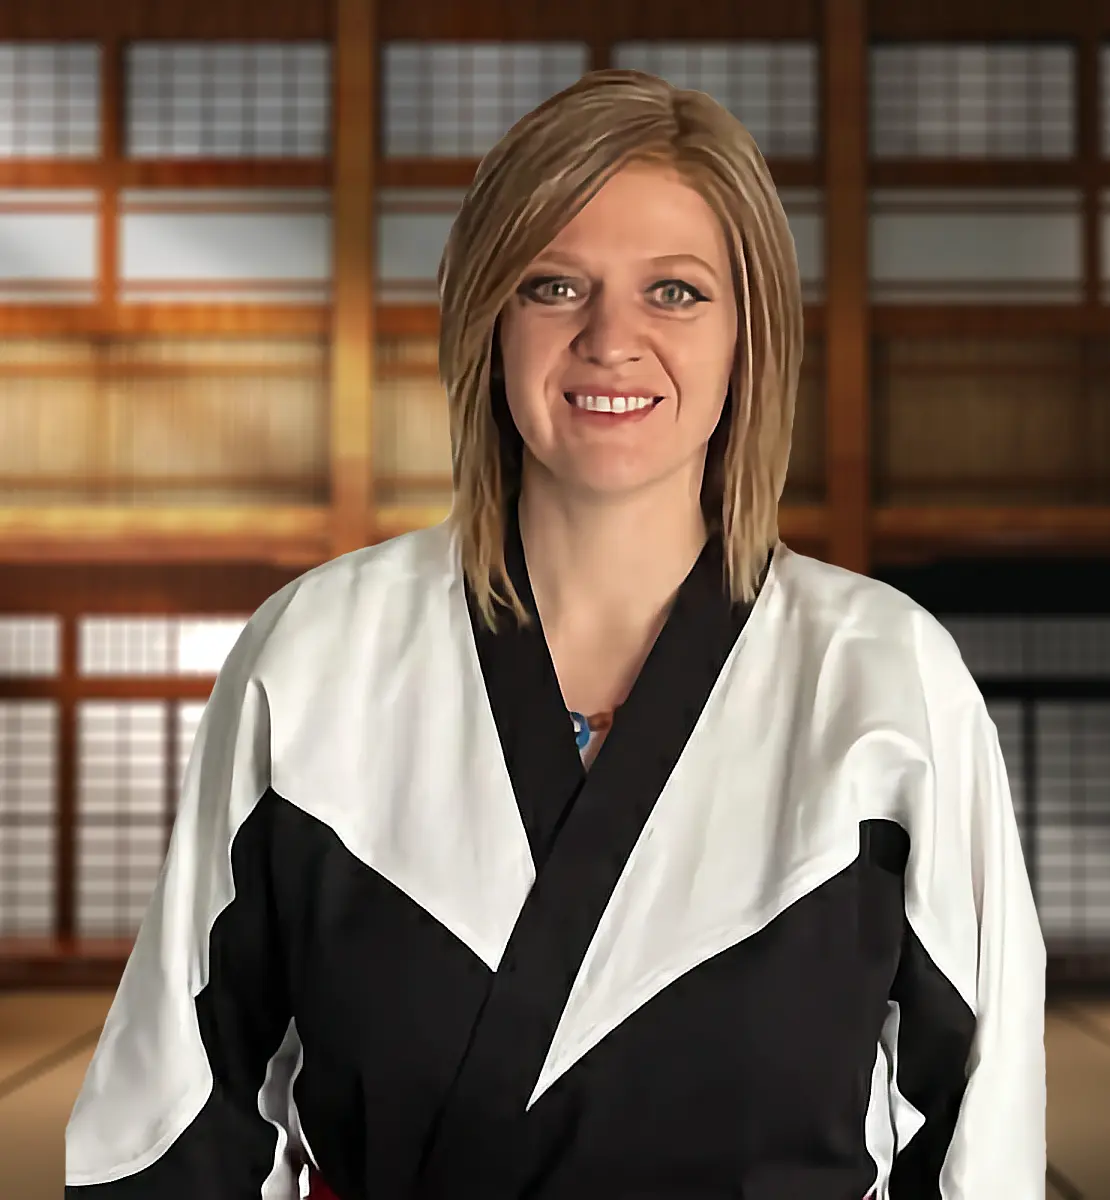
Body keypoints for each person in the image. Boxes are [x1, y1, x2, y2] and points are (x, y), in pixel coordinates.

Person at [63, 69, 1046, 1200]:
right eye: (553, 284)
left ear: (750, 335)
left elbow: (982, 1128)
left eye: (675, 292)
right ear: (489, 320)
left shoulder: (883, 673)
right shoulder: (317, 651)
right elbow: (171, 1113)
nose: (611, 340)